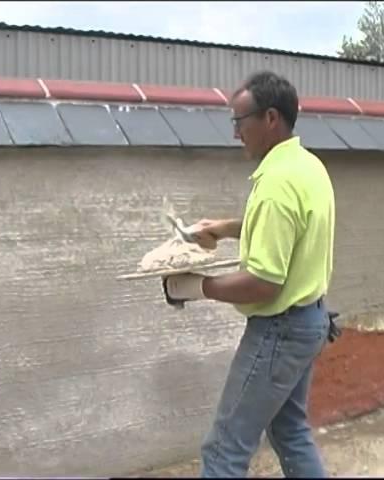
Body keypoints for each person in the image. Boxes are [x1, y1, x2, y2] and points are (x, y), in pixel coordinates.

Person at [163, 70, 336, 478]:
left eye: (239, 121)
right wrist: (224, 228)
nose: (235, 133)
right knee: (290, 430)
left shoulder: (276, 184)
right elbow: (288, 228)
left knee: (224, 449)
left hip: (279, 330)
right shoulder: (307, 166)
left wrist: (195, 286)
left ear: (270, 118)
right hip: (310, 320)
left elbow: (264, 282)